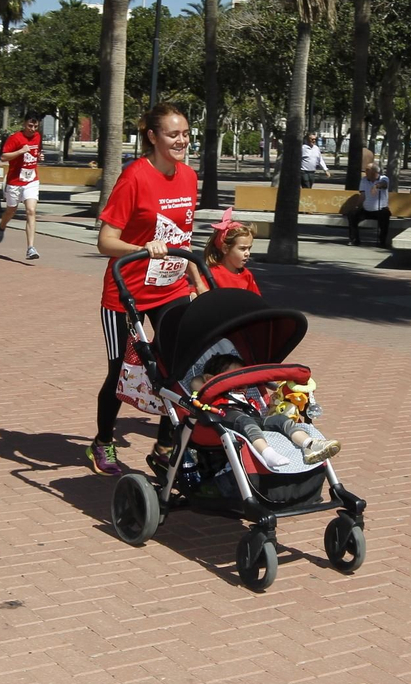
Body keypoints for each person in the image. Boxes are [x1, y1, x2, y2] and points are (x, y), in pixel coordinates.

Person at [92, 103, 206, 477]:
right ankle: (103, 441)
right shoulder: (135, 177)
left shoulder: (188, 177)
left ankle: (164, 447)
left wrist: (198, 280)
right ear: (153, 137)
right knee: (120, 371)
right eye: (173, 134)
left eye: (185, 133)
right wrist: (141, 248)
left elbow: (183, 238)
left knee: (177, 368)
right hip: (126, 291)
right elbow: (105, 241)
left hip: (170, 287)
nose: (182, 141)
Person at [196, 354, 340, 466]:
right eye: (235, 379)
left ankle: (309, 444)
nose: (241, 384)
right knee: (245, 421)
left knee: (280, 419)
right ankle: (267, 453)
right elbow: (196, 383)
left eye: (243, 380)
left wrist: (273, 404)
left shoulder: (249, 399)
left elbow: (264, 413)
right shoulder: (213, 396)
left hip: (254, 419)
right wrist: (210, 381)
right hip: (227, 417)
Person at [0, 111, 44, 260]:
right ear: (24, 124)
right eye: (30, 125)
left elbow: (35, 154)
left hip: (31, 181)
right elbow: (3, 157)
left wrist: (39, 157)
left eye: (35, 126)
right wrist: (20, 151)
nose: (33, 129)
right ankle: (2, 226)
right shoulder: (15, 138)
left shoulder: (37, 137)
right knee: (11, 210)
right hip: (15, 182)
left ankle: (31, 248)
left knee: (31, 211)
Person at [204, 209, 261, 294]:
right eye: (242, 249)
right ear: (225, 249)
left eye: (249, 248)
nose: (247, 253)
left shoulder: (247, 275)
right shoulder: (212, 275)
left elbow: (256, 299)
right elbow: (197, 293)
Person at [349, 164, 391, 247]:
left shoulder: (384, 178)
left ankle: (382, 242)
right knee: (352, 215)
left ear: (374, 172)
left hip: (380, 209)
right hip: (366, 210)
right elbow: (362, 196)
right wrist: (357, 207)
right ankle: (354, 240)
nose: (365, 172)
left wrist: (376, 186)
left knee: (385, 216)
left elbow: (384, 184)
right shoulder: (364, 180)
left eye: (367, 170)